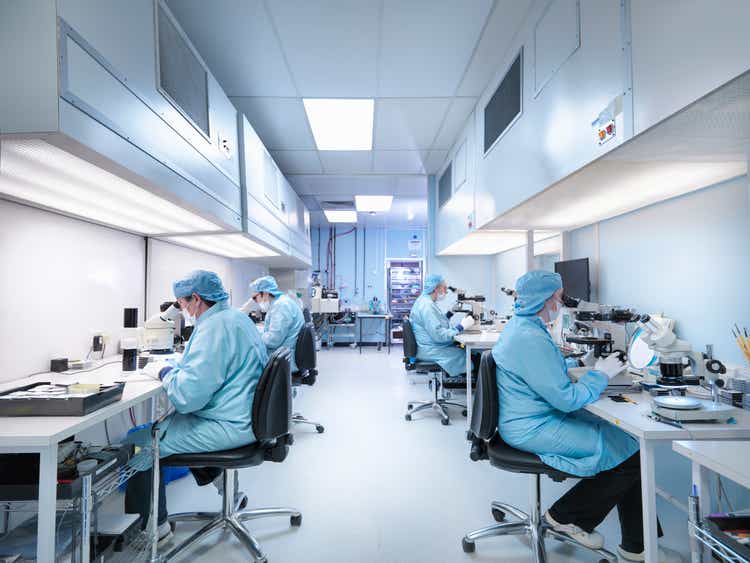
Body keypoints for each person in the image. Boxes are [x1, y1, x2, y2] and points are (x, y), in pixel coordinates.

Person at [491, 270, 663, 561]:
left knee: (630, 444)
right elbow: (567, 399)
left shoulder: (525, 327)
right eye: (558, 298)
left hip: (532, 415)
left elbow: (545, 368)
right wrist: (600, 374)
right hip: (532, 426)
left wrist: (579, 362)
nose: (561, 303)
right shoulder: (528, 336)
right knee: (631, 454)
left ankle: (638, 546)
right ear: (545, 300)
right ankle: (568, 517)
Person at [125, 270, 268, 544]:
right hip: (243, 416)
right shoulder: (234, 318)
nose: (183, 310)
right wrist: (178, 368)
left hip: (229, 425)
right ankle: (225, 488)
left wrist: (165, 374)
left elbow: (189, 398)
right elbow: (208, 367)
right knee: (176, 425)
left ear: (197, 299)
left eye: (183, 303)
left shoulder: (213, 328)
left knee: (139, 440)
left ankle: (155, 530)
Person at [409, 274, 474, 376]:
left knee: (462, 347)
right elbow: (439, 336)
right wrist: (461, 327)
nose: (446, 291)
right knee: (467, 354)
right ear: (435, 289)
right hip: (432, 350)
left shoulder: (424, 300)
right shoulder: (427, 306)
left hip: (428, 346)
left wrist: (450, 313)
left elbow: (434, 323)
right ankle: (471, 384)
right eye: (444, 288)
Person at [249, 275, 305, 372]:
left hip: (285, 360)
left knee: (247, 363)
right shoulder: (280, 303)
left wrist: (255, 334)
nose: (256, 301)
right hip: (286, 354)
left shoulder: (281, 306)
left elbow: (273, 341)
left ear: (265, 293)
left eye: (255, 298)